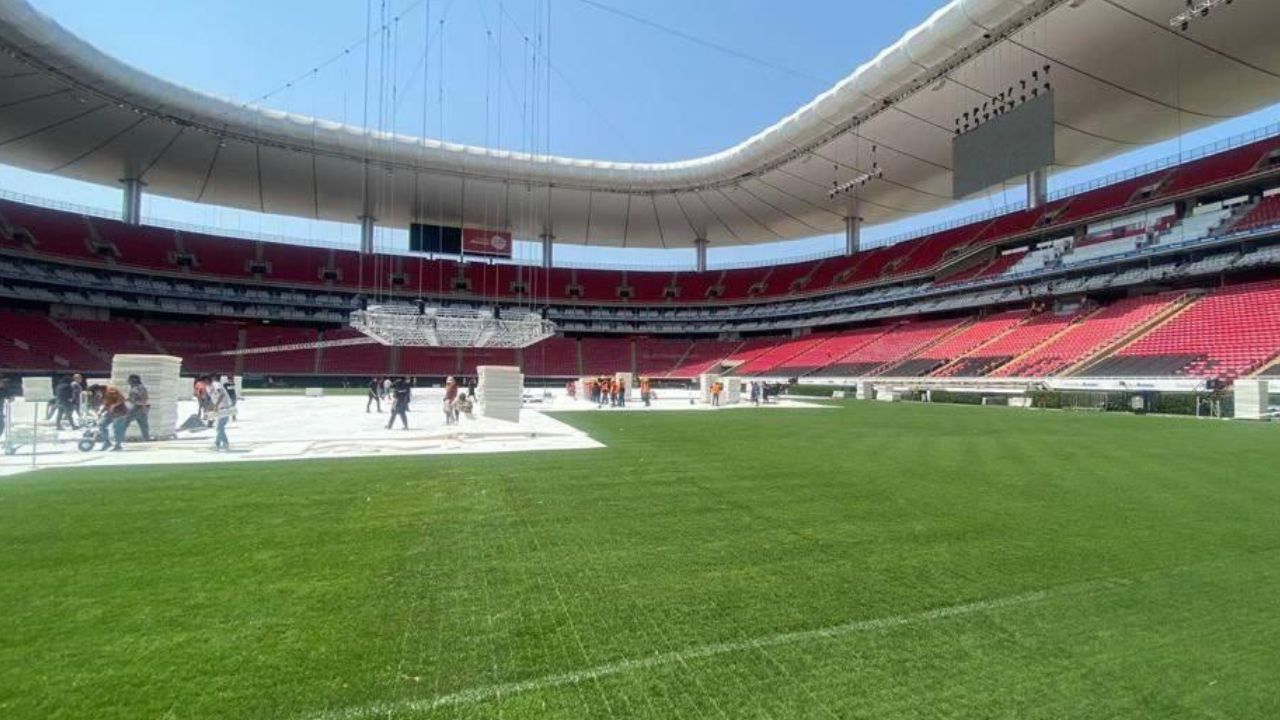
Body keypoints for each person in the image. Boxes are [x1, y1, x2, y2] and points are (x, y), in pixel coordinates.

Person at [123, 374, 152, 441]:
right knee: (143, 424)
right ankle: (146, 438)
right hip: (142, 407)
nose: (128, 382)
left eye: (130, 381)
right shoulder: (138, 387)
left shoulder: (137, 388)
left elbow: (144, 397)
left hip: (138, 407)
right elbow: (133, 398)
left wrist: (143, 407)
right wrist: (125, 400)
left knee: (125, 421)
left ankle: (120, 437)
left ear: (133, 381)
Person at [100, 384, 128, 451]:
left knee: (117, 428)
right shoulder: (104, 394)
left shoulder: (110, 391)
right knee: (102, 424)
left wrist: (114, 405)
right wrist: (101, 411)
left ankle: (118, 445)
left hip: (120, 413)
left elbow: (122, 399)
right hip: (111, 413)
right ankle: (106, 442)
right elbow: (107, 404)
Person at [208, 378, 233, 450]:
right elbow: (212, 399)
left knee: (219, 427)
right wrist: (212, 407)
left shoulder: (217, 385)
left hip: (224, 408)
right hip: (218, 409)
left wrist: (216, 405)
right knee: (219, 428)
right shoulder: (208, 388)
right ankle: (218, 443)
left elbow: (222, 395)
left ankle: (223, 442)